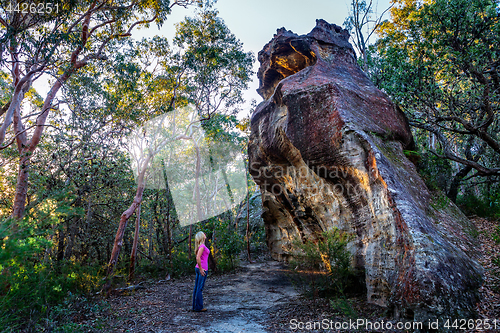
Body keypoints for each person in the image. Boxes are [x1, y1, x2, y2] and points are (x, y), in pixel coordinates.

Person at [192, 231, 210, 312]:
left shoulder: (201, 246)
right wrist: (201, 269)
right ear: (202, 236)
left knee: (197, 288)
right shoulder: (202, 246)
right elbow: (197, 257)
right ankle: (199, 307)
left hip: (200, 268)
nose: (205, 234)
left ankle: (195, 306)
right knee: (199, 288)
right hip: (202, 269)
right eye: (204, 234)